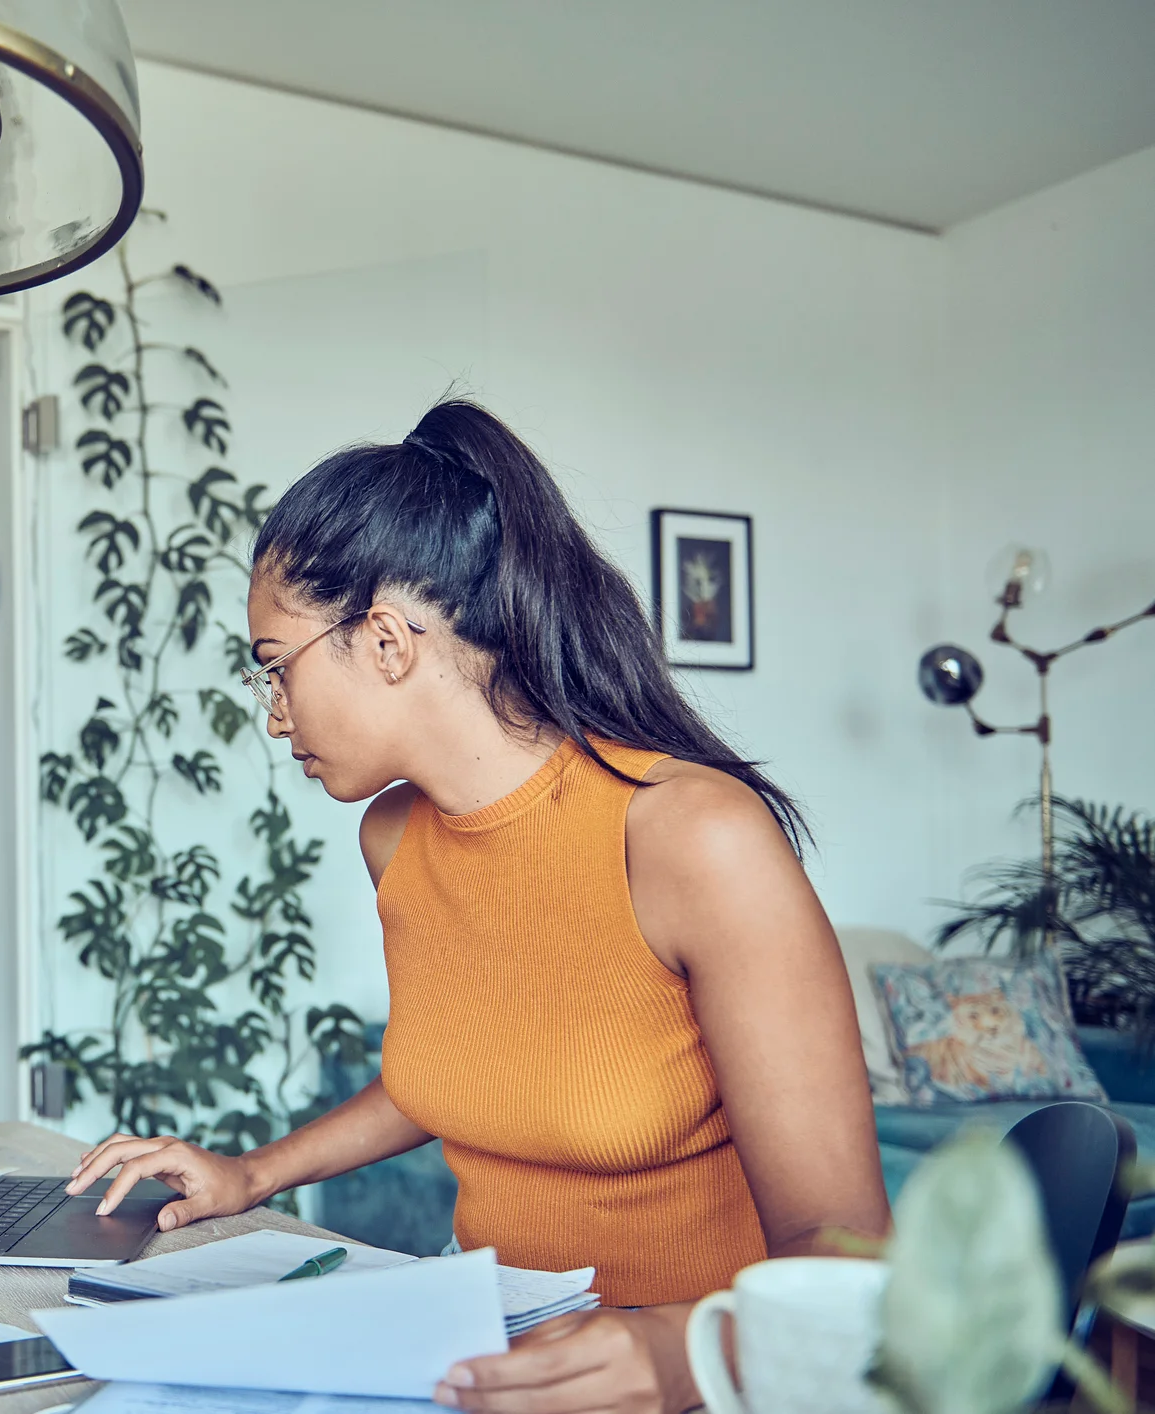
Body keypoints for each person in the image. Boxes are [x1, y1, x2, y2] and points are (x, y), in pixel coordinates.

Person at [65, 399, 889, 1414]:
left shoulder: (692, 837)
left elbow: (847, 1251)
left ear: (385, 638)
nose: (273, 717)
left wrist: (681, 1351)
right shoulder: (396, 838)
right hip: (483, 1366)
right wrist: (251, 1173)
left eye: (276, 667)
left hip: (711, 1383)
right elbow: (460, 1071)